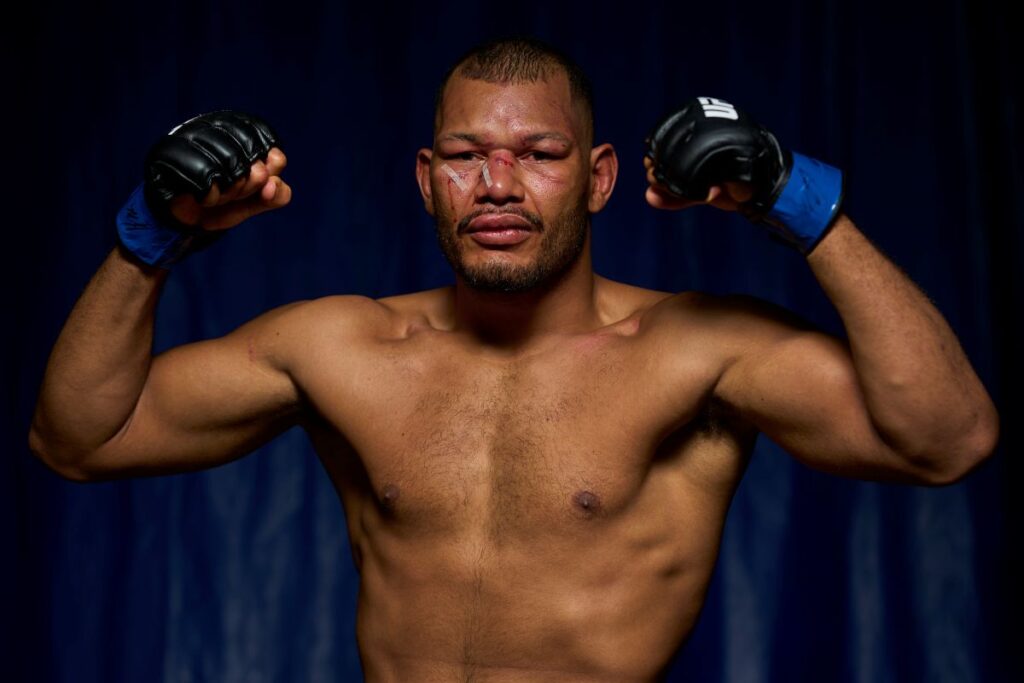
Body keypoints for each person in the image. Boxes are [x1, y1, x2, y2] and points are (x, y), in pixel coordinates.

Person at [29, 37, 998, 681]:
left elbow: (947, 437)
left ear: (599, 177)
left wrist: (796, 199)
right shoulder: (341, 347)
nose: (497, 184)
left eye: (537, 152)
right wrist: (149, 232)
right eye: (464, 155)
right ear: (426, 179)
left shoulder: (697, 352)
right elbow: (79, 435)